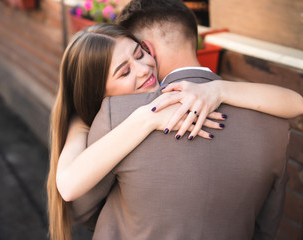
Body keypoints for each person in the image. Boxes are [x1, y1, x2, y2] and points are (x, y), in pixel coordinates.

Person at [56, 1, 303, 240]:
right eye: (124, 70)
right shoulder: (274, 121)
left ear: (147, 48)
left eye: (139, 54)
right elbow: (266, 225)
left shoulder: (114, 115)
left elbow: (82, 210)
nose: (142, 69)